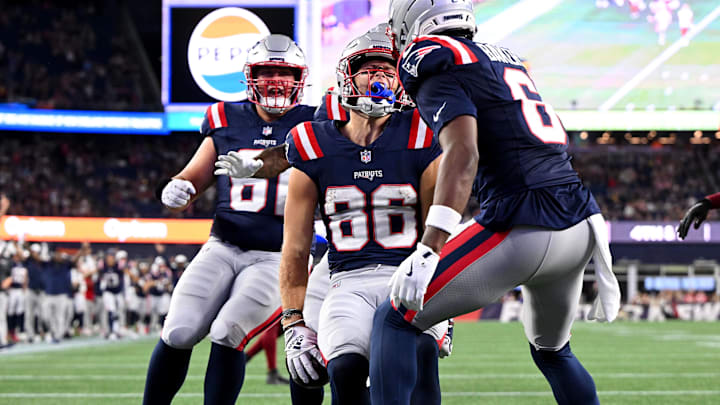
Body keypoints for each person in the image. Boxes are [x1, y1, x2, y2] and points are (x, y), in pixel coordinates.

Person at [369, 2, 621, 404]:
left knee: (395, 317)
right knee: (554, 352)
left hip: (522, 223)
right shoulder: (503, 59)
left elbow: (463, 153)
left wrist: (429, 246)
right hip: (579, 221)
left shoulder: (430, 58)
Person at [277, 26, 448, 405]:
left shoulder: (421, 133)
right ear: (346, 76)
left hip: (407, 275)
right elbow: (294, 245)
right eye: (369, 69)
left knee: (418, 360)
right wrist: (292, 321)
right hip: (346, 278)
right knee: (343, 369)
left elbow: (440, 225)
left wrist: (446, 304)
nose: (380, 77)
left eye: (388, 71)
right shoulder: (312, 142)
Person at [142, 34, 315, 405]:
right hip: (222, 245)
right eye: (267, 72)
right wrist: (175, 189)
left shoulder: (317, 123)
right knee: (178, 330)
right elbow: (191, 180)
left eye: (284, 73)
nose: (275, 81)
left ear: (300, 79)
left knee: (227, 330)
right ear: (250, 77)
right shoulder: (224, 117)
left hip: (278, 255)